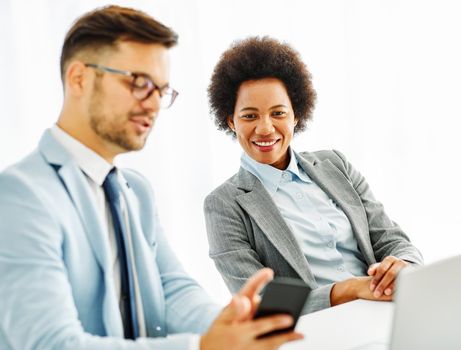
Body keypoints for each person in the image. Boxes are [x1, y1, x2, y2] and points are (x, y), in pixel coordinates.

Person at [0, 7, 304, 350]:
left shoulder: (135, 191)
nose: (153, 104)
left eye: (160, 90)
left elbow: (172, 288)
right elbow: (50, 344)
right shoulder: (20, 195)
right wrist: (202, 347)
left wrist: (230, 323)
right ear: (79, 79)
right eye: (139, 83)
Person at [204, 36, 423, 314]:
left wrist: (402, 264)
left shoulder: (335, 164)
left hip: (385, 310)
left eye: (278, 113)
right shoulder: (224, 204)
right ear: (230, 121)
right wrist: (349, 289)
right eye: (249, 116)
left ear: (296, 115)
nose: (265, 128)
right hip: (315, 330)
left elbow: (390, 237)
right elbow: (261, 299)